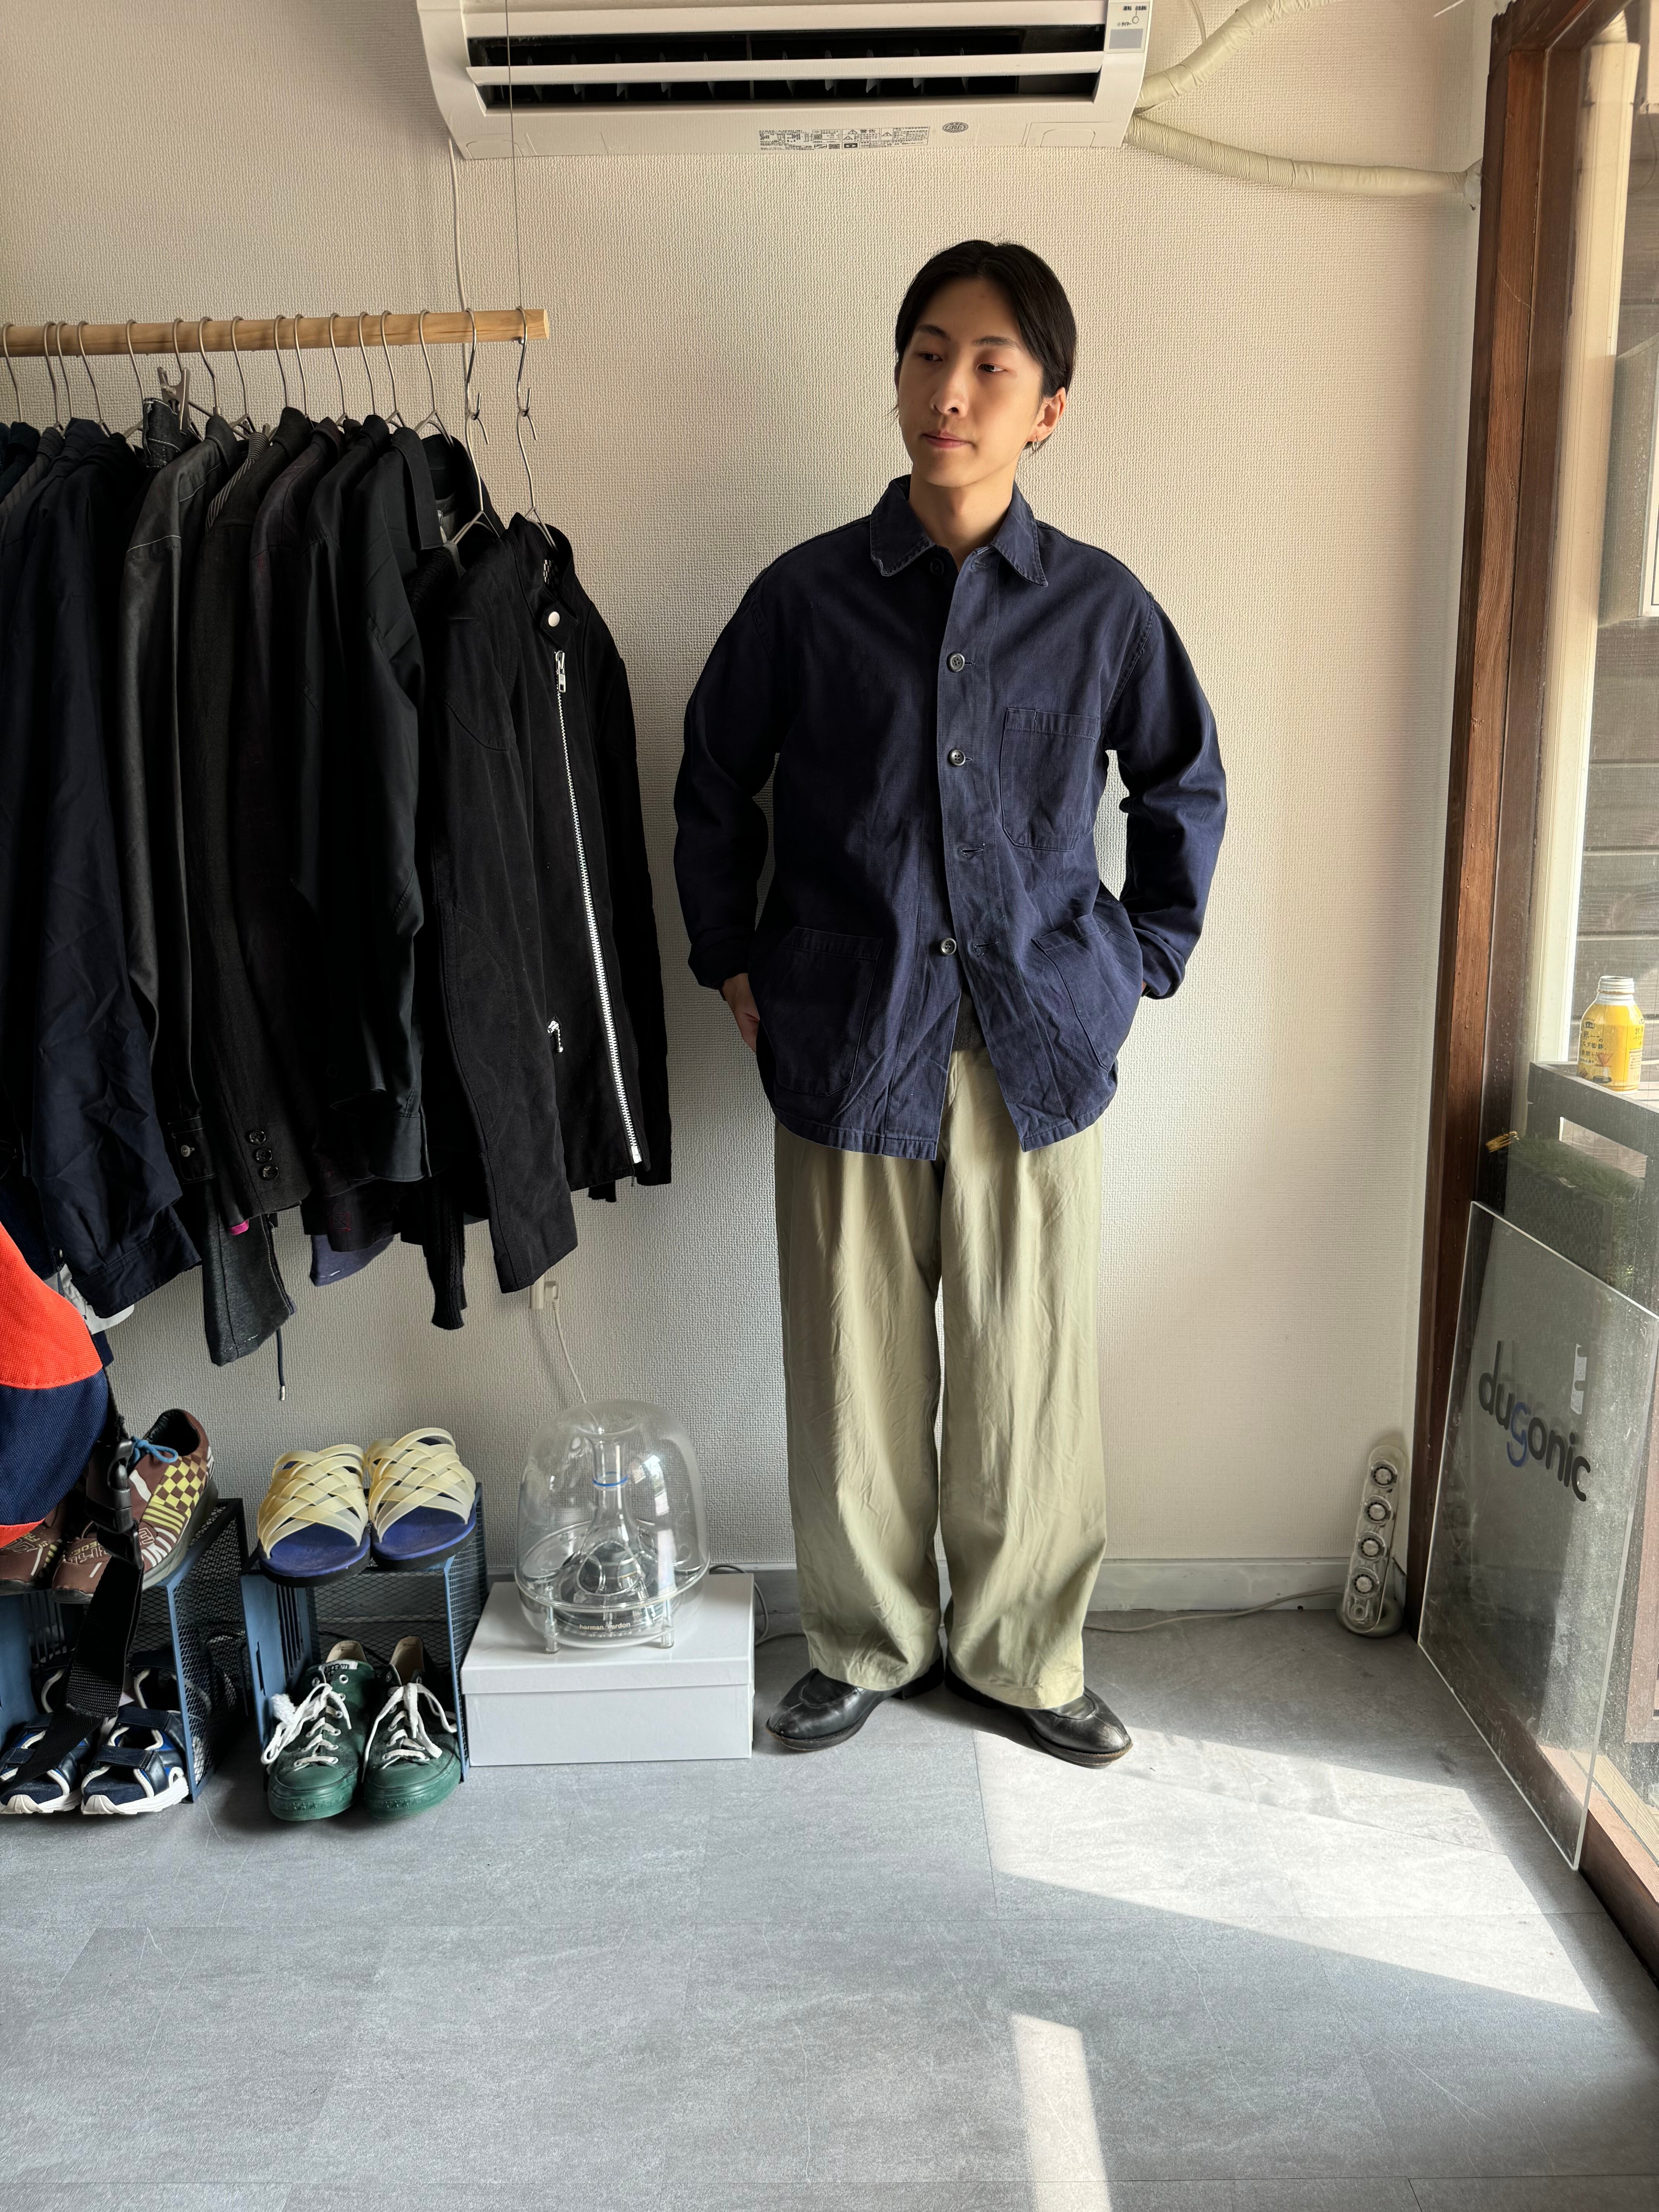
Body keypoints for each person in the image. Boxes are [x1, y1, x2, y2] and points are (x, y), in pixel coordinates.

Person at [673, 240, 1225, 1765]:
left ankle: (1024, 1657)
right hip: (846, 1040)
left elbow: (1182, 786)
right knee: (850, 1371)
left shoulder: (1101, 610)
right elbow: (714, 779)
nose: (950, 391)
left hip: (1035, 1051)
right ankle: (865, 1641)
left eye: (990, 364)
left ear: (1048, 407)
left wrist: (1136, 962)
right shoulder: (803, 599)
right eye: (928, 353)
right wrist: (729, 955)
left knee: (1024, 1380)